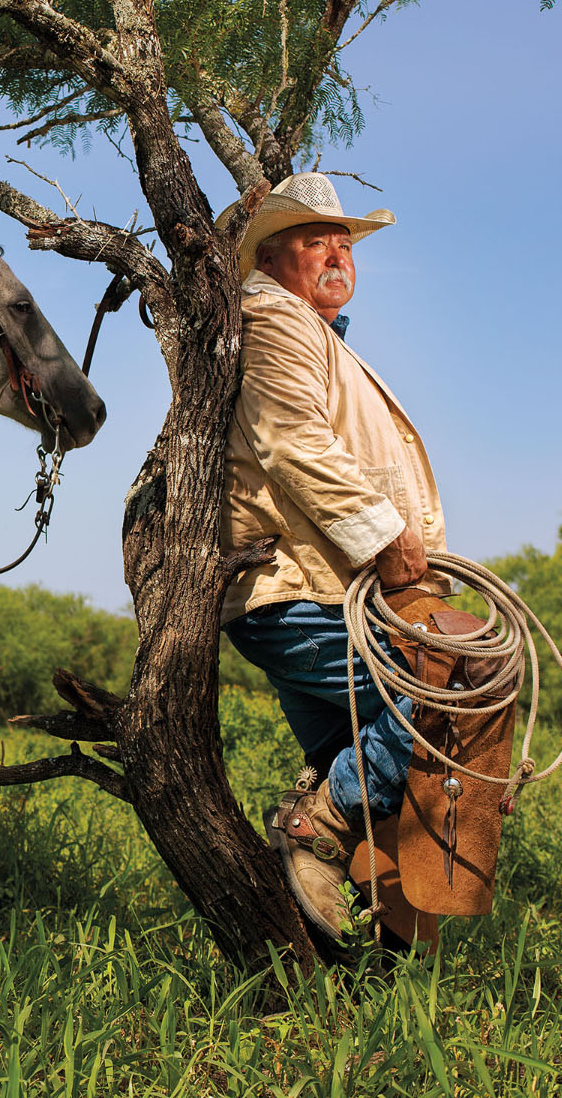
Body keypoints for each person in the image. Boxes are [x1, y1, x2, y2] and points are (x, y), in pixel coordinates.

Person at [214, 172, 445, 938]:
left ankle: (367, 961)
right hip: (301, 588)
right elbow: (293, 441)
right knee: (454, 687)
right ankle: (317, 826)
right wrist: (386, 537)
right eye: (316, 241)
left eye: (344, 243)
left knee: (392, 782)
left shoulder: (313, 332)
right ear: (272, 258)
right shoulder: (274, 313)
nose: (337, 254)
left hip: (317, 587)